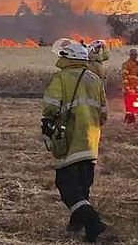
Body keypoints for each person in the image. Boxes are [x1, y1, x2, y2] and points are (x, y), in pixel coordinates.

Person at [42, 41, 108, 242]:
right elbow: (103, 114)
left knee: (66, 186)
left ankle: (93, 221)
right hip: (91, 142)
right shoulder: (95, 79)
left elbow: (51, 107)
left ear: (68, 58)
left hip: (70, 139)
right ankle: (80, 226)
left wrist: (49, 124)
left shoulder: (61, 78)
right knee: (82, 186)